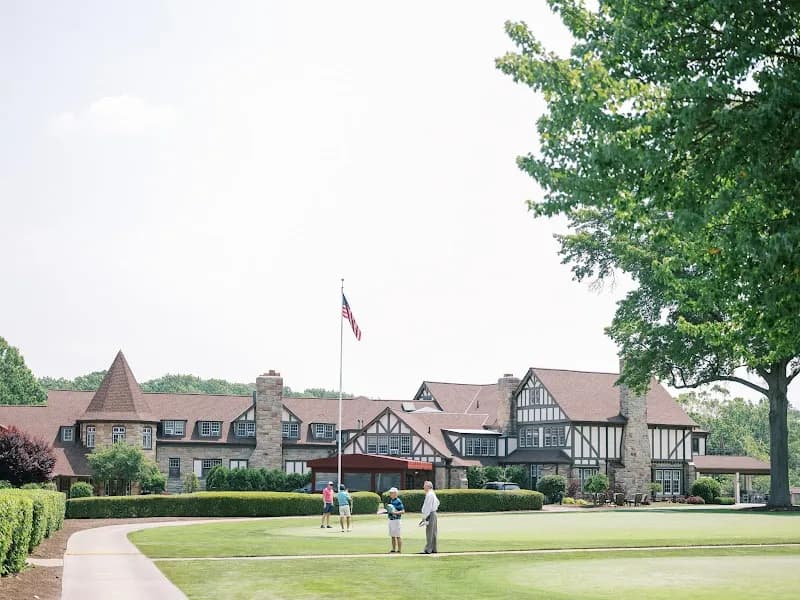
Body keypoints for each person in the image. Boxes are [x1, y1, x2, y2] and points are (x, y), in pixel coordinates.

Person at [419, 480, 439, 554]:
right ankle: (434, 548)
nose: (423, 487)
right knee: (433, 532)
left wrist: (424, 517)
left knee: (429, 532)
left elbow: (428, 506)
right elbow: (438, 502)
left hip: (430, 514)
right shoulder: (432, 493)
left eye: (425, 486)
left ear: (428, 487)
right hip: (433, 513)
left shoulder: (429, 494)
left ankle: (428, 549)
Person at [386, 487, 405, 553]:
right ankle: (393, 549)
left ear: (395, 493)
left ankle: (399, 550)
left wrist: (395, 513)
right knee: (392, 536)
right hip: (391, 519)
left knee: (398, 536)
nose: (390, 494)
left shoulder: (398, 501)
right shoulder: (391, 501)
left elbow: (403, 511)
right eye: (390, 493)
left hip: (396, 520)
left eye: (392, 493)